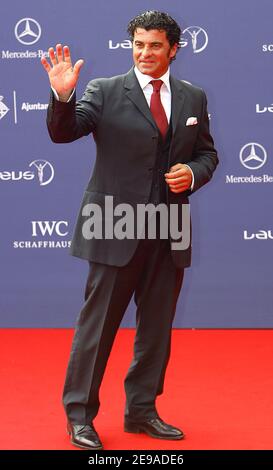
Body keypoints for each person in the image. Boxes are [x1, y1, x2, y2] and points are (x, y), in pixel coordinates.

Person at [41, 10, 218, 450]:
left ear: (173, 49)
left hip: (169, 226)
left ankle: (142, 412)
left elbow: (207, 154)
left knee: (156, 329)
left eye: (154, 45)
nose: (144, 53)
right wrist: (62, 98)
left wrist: (192, 174)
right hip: (114, 226)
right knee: (96, 329)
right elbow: (63, 134)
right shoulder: (103, 91)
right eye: (138, 45)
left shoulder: (193, 97)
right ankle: (79, 416)